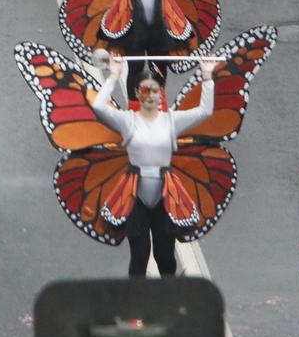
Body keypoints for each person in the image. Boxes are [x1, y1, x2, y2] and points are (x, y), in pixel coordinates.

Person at [89, 55, 219, 276]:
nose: (150, 95)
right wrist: (114, 75)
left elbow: (205, 111)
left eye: (154, 90)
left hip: (165, 196)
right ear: (138, 95)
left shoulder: (172, 120)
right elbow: (99, 107)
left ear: (161, 95)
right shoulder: (127, 120)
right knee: (139, 254)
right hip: (134, 195)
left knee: (165, 255)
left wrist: (207, 75)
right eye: (144, 90)